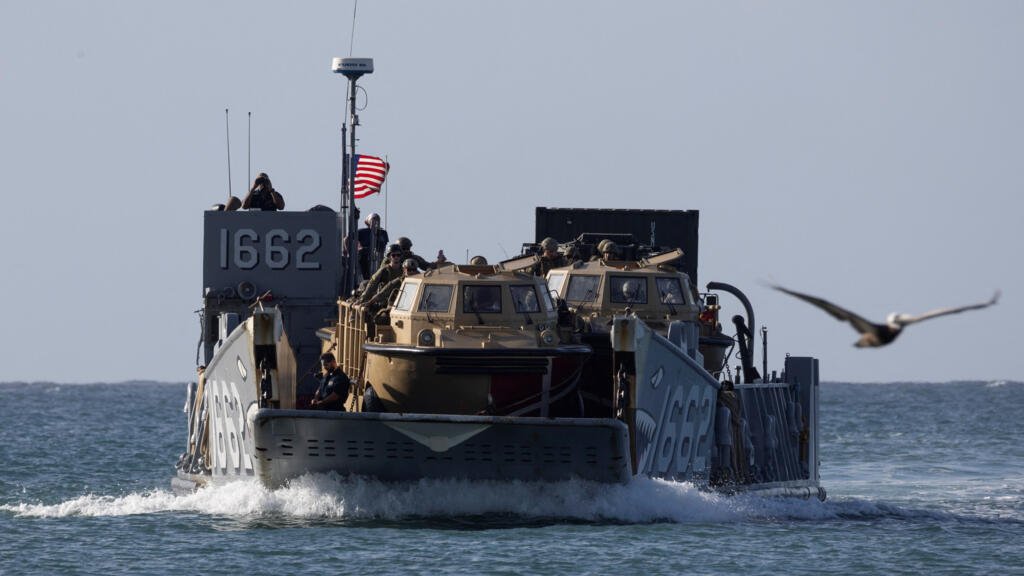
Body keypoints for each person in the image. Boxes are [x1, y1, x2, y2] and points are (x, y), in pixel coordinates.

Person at [357, 212, 389, 279]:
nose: (375, 221)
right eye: (373, 219)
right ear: (368, 221)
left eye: (377, 219)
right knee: (366, 275)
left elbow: (384, 245)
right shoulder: (362, 232)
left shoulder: (383, 233)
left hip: (379, 257)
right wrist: (355, 249)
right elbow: (348, 239)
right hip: (364, 257)